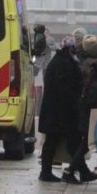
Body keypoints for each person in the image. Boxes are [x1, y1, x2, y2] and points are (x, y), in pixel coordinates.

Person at [65, 34, 97, 185]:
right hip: (92, 117)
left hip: (90, 117)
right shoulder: (96, 84)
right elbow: (93, 100)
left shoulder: (91, 80)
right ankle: (70, 171)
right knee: (91, 144)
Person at [37, 36, 82, 183]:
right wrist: (74, 104)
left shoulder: (60, 61)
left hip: (56, 110)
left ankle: (50, 172)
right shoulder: (63, 64)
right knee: (56, 142)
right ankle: (48, 172)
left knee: (59, 141)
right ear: (69, 49)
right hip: (59, 111)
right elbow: (65, 89)